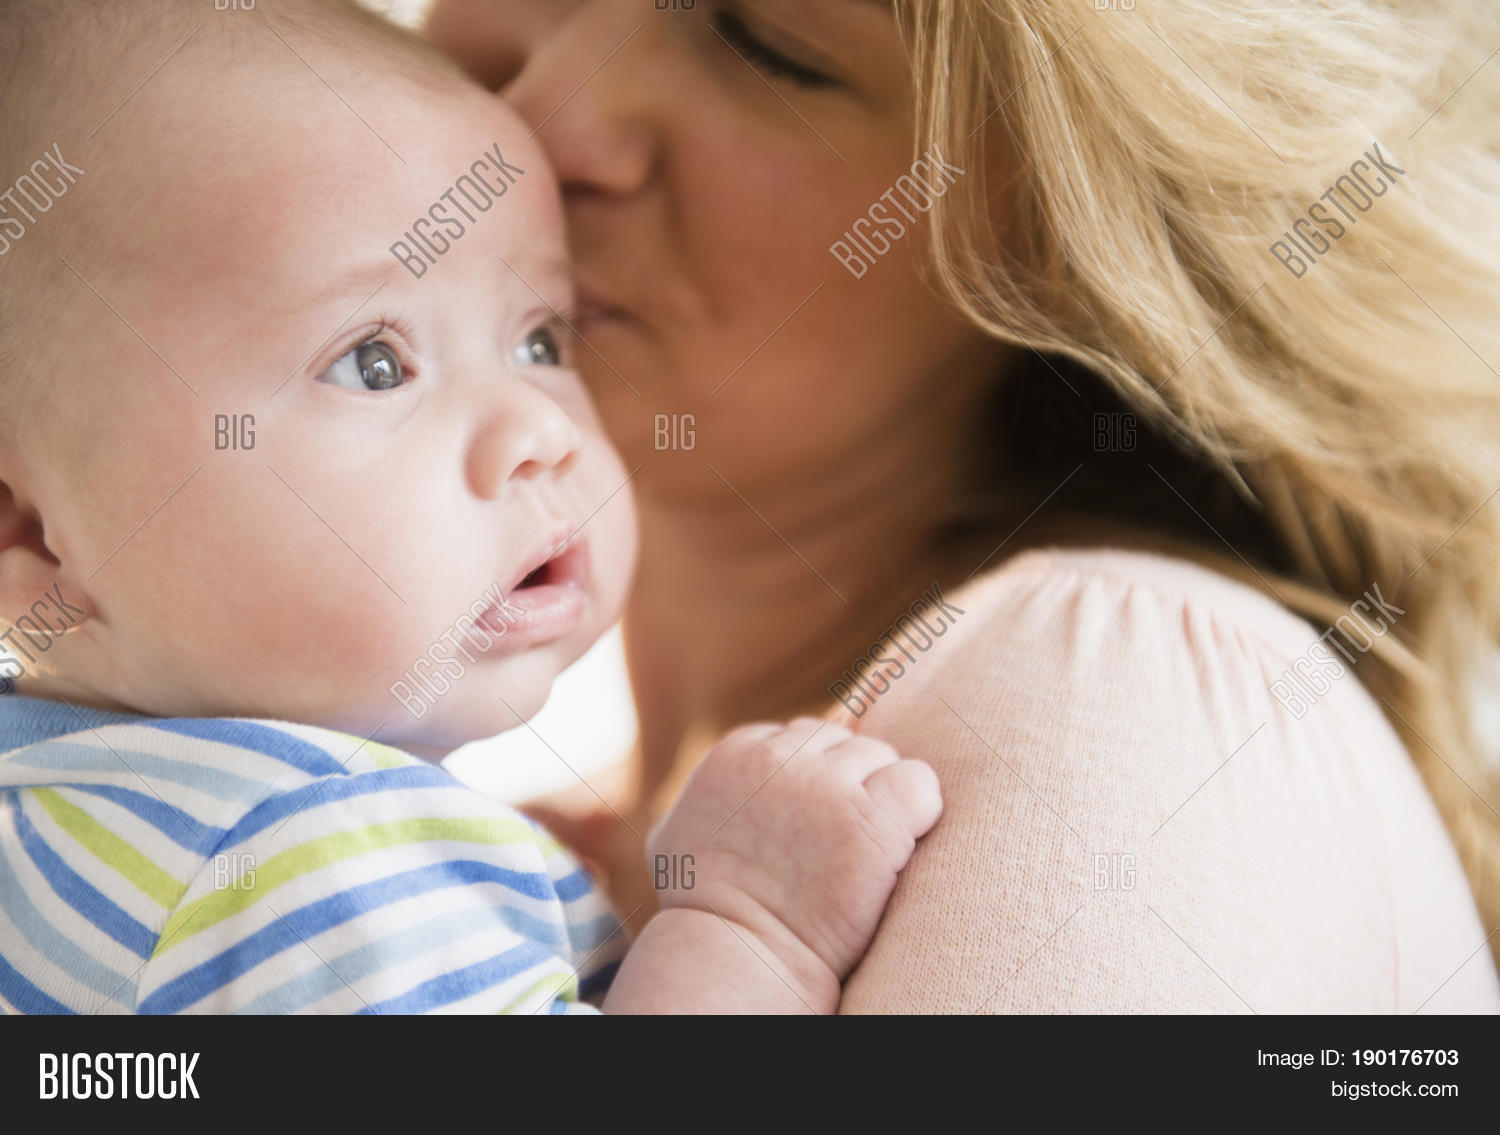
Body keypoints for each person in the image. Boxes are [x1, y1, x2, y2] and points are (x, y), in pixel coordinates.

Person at [428, 0, 1500, 1010]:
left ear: (1059, 236)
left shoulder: (1118, 697)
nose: (542, 114)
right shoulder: (497, 838)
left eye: (770, 43)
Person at [0, 0, 940, 1014]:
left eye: (541, 340)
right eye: (373, 362)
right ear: (32, 535)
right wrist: (753, 930)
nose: (541, 428)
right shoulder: (309, 861)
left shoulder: (89, 830)